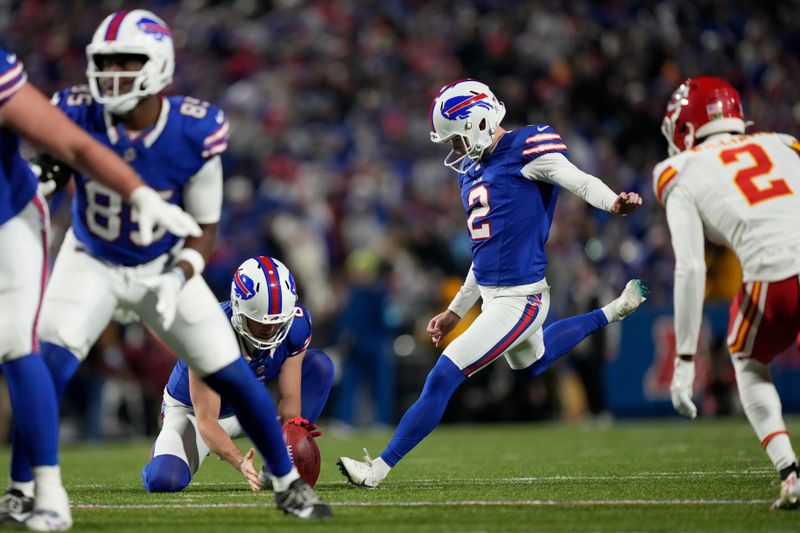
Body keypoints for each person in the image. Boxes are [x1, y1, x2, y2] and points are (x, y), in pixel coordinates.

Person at [2, 10, 331, 521]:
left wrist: (179, 276)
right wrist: (42, 181)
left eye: (127, 63)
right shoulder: (76, 109)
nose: (112, 76)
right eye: (105, 63)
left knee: (235, 375)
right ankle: (24, 489)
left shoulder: (195, 129)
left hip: (164, 264)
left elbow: (204, 226)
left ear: (159, 66)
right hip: (90, 256)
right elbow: (50, 165)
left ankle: (289, 486)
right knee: (47, 368)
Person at [337, 79, 648, 488]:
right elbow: (482, 258)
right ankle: (616, 309)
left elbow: (579, 179)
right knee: (532, 362)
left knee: (443, 375)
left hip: (520, 300)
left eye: (455, 139)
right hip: (496, 298)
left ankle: (377, 470)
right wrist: (455, 310)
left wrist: (612, 201)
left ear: (479, 123)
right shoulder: (473, 172)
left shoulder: (528, 149)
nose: (453, 151)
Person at [0, 45, 201, 530]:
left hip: (10, 223)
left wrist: (138, 196)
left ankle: (40, 490)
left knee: (22, 347)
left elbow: (73, 147)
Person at [656, 76, 800, 510]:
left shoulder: (677, 169)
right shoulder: (785, 143)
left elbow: (691, 265)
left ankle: (790, 473)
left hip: (775, 275)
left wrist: (684, 360)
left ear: (684, 128)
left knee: (748, 360)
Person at [141, 256, 334, 492]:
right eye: (260, 322)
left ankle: (277, 469)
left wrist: (292, 437)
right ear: (239, 310)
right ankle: (164, 450)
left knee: (319, 366)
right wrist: (240, 460)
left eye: (278, 322)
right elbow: (207, 421)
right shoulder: (209, 332)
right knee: (164, 481)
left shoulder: (295, 326)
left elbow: (289, 399)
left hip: (248, 406)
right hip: (195, 412)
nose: (271, 330)